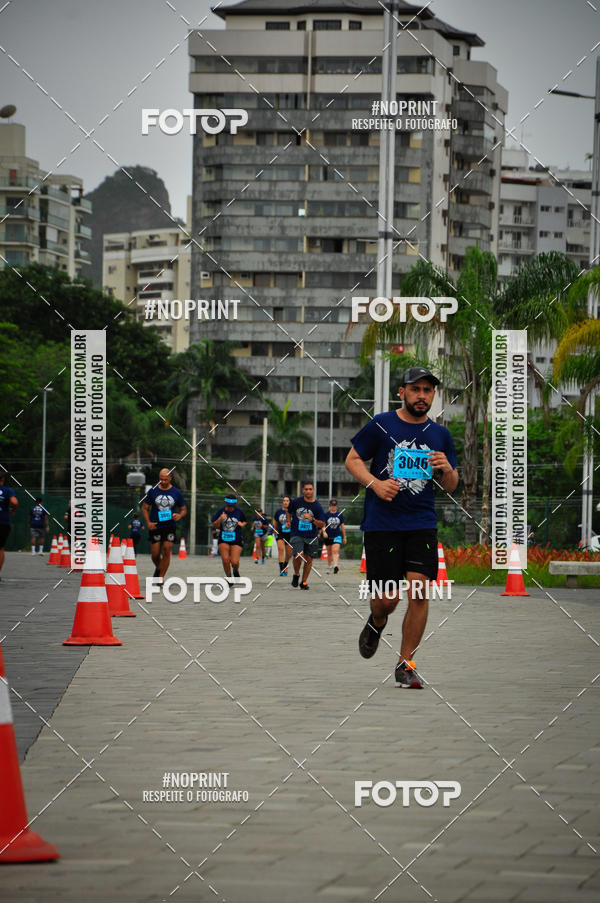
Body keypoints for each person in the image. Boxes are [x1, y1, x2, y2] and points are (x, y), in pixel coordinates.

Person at [345, 367, 458, 689]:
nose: (422, 395)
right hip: (382, 525)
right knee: (387, 600)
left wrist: (448, 469)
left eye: (428, 390)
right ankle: (377, 621)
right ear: (402, 392)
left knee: (420, 590)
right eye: (416, 389)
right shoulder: (381, 424)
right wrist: (376, 484)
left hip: (421, 523)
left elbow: (451, 485)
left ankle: (405, 664)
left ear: (434, 395)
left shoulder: (441, 435)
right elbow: (353, 459)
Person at [142, 468, 187, 586]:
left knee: (166, 550)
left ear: (170, 478)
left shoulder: (176, 492)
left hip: (170, 525)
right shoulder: (152, 491)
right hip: (156, 525)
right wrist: (148, 522)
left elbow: (183, 509)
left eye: (165, 479)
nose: (162, 481)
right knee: (155, 554)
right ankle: (159, 569)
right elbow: (145, 508)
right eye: (161, 479)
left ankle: (160, 578)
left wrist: (179, 515)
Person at [287, 481, 326, 590]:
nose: (308, 491)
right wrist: (288, 522)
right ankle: (296, 574)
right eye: (306, 489)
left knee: (309, 559)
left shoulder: (317, 506)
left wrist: (312, 519)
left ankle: (303, 582)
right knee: (298, 555)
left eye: (310, 489)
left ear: (313, 491)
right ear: (303, 490)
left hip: (311, 536)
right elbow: (288, 511)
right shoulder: (296, 502)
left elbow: (322, 523)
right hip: (297, 533)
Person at [211, 496, 247, 581]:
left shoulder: (239, 511)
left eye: (232, 505)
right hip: (223, 539)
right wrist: (220, 518)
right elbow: (214, 524)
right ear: (225, 503)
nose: (230, 507)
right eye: (228, 505)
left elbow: (245, 521)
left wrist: (242, 524)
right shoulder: (220, 511)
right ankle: (229, 577)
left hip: (236, 539)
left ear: (235, 504)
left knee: (234, 562)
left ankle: (235, 570)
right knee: (225, 559)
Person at [0, 473, 18, 580]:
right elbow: (14, 502)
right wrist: (12, 510)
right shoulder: (7, 490)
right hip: (3, 521)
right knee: (0, 547)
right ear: (3, 479)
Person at [322, 499, 346, 574]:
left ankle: (335, 566)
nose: (333, 507)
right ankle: (329, 566)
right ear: (330, 506)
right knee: (329, 553)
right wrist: (324, 532)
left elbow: (342, 526)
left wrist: (344, 537)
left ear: (337, 506)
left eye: (335, 506)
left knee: (335, 551)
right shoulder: (326, 515)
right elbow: (323, 525)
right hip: (328, 536)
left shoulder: (340, 515)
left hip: (337, 535)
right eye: (332, 506)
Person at [273, 496, 292, 576]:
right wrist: (275, 530)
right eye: (284, 501)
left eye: (287, 501)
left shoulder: (293, 512)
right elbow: (275, 522)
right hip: (280, 533)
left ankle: (285, 565)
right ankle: (281, 568)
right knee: (281, 550)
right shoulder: (278, 512)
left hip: (290, 534)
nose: (285, 502)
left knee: (289, 554)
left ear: (289, 502)